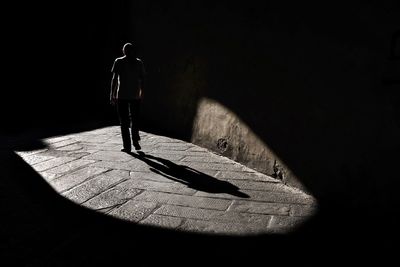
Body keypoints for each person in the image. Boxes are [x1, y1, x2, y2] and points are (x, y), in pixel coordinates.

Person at [110, 42, 145, 152]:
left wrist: (112, 94)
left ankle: (127, 146)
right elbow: (142, 79)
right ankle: (134, 140)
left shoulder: (119, 61)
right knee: (134, 120)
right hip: (134, 95)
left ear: (123, 51)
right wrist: (142, 92)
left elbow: (114, 79)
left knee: (124, 122)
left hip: (122, 95)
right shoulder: (138, 62)